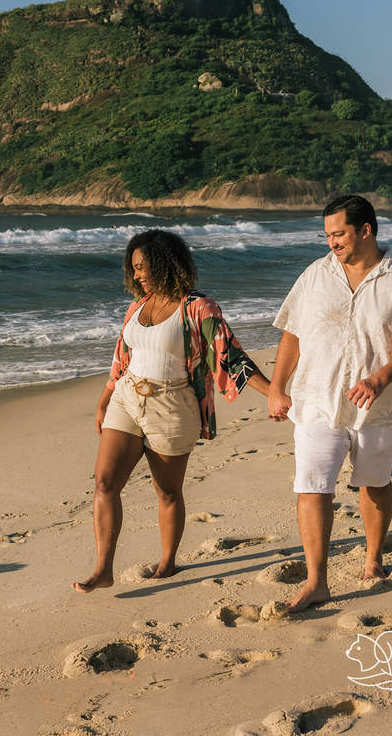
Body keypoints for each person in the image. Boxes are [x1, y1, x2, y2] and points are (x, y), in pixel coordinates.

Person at [73, 229, 270, 593]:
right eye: (133, 269)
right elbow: (123, 356)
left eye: (142, 267)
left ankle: (167, 562)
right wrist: (104, 400)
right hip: (127, 398)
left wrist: (272, 392)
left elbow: (229, 355)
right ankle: (103, 569)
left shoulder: (198, 306)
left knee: (167, 491)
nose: (136, 275)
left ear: (165, 262)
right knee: (104, 483)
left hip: (173, 405)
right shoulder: (137, 306)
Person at [267, 195, 392, 612]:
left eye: (338, 234)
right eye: (327, 235)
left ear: (365, 230)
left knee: (374, 482)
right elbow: (293, 332)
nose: (331, 243)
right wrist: (277, 386)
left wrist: (380, 378)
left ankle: (373, 559)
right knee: (312, 485)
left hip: (380, 405)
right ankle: (316, 581)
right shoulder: (315, 275)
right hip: (316, 399)